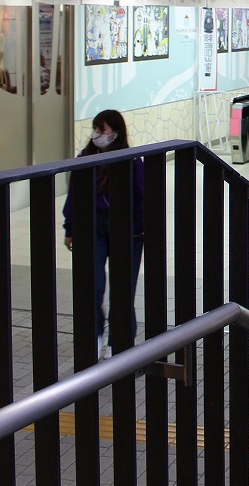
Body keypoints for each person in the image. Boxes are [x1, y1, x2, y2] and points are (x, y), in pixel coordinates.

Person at [63, 109, 146, 360]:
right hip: (93, 226)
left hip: (127, 229)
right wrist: (70, 228)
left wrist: (142, 227)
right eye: (95, 129)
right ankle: (94, 336)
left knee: (122, 288)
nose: (97, 135)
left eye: (103, 130)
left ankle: (119, 342)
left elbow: (143, 198)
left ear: (116, 134)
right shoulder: (85, 159)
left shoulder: (130, 161)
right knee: (92, 285)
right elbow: (74, 196)